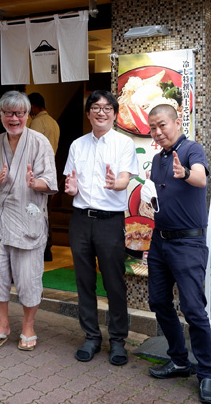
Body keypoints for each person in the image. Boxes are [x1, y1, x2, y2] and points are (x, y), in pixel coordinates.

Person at [145, 104, 211, 404]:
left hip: (188, 244)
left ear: (177, 122)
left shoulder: (191, 149)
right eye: (152, 127)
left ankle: (207, 374)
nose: (158, 132)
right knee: (158, 302)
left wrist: (185, 172)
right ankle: (178, 359)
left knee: (193, 309)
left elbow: (200, 178)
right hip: (159, 242)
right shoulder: (156, 157)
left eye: (162, 125)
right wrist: (148, 204)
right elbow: (159, 194)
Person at [64, 90, 140, 365]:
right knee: (84, 281)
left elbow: (124, 179)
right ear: (88, 113)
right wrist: (71, 188)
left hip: (110, 221)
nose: (101, 112)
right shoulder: (77, 145)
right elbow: (71, 182)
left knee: (114, 282)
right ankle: (91, 337)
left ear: (115, 113)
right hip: (81, 219)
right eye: (95, 107)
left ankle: (118, 341)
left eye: (107, 108)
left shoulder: (124, 143)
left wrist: (115, 183)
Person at [0, 91, 58, 351]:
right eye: (8, 113)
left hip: (30, 214)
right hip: (2, 217)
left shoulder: (40, 142)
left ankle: (28, 326)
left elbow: (51, 181)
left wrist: (36, 183)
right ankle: (2, 324)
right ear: (1, 115)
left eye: (19, 113)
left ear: (27, 115)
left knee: (28, 277)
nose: (14, 118)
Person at [28, 92, 59, 261]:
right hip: (50, 171)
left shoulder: (37, 123)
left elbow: (30, 150)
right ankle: (48, 247)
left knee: (35, 210)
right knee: (46, 210)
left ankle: (39, 246)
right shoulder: (54, 122)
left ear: (32, 106)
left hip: (36, 173)